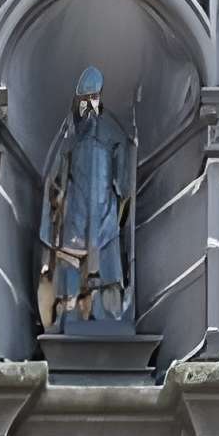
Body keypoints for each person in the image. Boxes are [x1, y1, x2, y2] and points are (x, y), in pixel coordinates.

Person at [36, 63, 133, 332]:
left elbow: (123, 182)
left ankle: (102, 311)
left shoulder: (111, 134)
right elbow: (55, 175)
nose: (88, 104)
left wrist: (118, 204)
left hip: (102, 219)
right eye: (84, 99)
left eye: (92, 98)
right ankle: (69, 311)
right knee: (69, 265)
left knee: (104, 270)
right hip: (75, 218)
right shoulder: (69, 134)